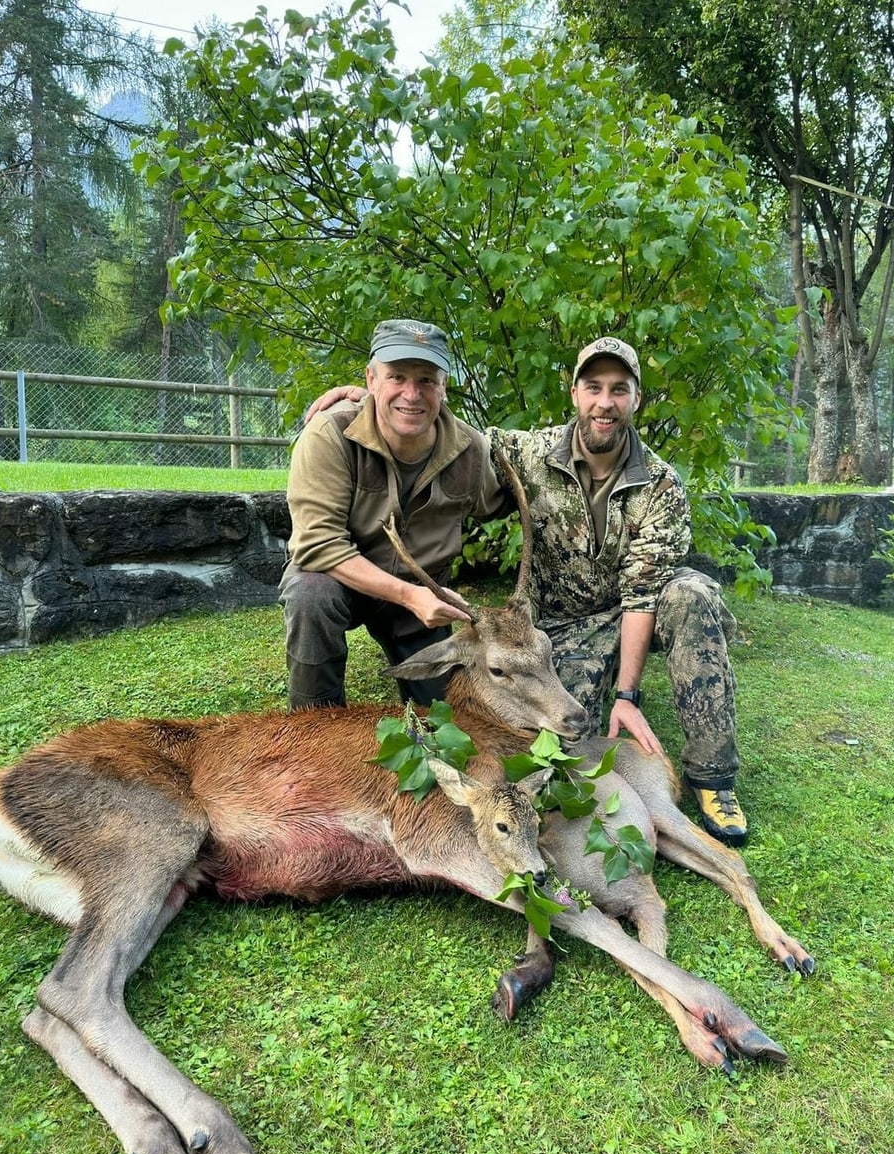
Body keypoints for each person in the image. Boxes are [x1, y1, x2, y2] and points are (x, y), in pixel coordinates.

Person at [305, 334, 748, 847]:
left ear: (636, 399)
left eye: (619, 390)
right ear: (575, 393)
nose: (605, 403)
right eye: (594, 387)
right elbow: (434, 422)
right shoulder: (526, 452)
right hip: (552, 631)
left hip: (630, 611)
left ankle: (713, 777)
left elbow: (642, 594)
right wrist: (373, 401)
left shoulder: (662, 485)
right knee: (561, 740)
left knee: (691, 591)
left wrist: (628, 694)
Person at [280, 318, 507, 711]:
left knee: (447, 721)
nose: (411, 394)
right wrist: (410, 595)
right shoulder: (329, 434)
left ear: (444, 386)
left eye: (426, 380)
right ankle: (312, 723)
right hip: (341, 583)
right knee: (310, 592)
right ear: (370, 379)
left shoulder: (471, 449)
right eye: (396, 376)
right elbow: (317, 545)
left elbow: (501, 500)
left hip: (422, 604)